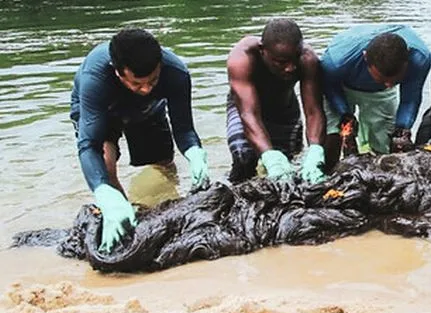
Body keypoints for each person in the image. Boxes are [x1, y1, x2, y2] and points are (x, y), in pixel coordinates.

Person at [70, 28, 210, 253]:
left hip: (147, 110)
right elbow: (89, 145)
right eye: (137, 83)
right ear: (118, 73)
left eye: (153, 81)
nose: (145, 88)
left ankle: (161, 203)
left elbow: (183, 129)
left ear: (160, 66)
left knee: (163, 162)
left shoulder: (176, 73)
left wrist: (194, 152)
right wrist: (104, 193)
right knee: (106, 165)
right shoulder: (95, 79)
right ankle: (125, 220)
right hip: (102, 111)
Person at [226, 18, 327, 184]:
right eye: (281, 62)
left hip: (285, 111)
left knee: (289, 168)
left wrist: (315, 149)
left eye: (295, 59)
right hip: (245, 108)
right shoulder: (242, 58)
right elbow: (249, 113)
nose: (291, 68)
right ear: (262, 50)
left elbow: (313, 111)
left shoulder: (308, 59)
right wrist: (268, 155)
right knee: (244, 156)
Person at [321, 24, 431, 165]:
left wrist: (402, 129)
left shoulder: (420, 59)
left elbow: (410, 99)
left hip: (379, 94)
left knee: (387, 140)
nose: (389, 85)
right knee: (334, 134)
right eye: (383, 79)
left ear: (407, 60)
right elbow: (330, 88)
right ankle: (329, 171)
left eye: (395, 80)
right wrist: (344, 114)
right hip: (341, 85)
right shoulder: (335, 62)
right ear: (365, 57)